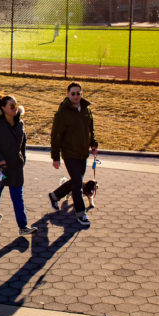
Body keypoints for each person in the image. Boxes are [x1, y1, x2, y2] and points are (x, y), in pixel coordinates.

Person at [0, 93, 38, 236]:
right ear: (3, 108)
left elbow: (23, 144)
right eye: (11, 106)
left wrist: (22, 159)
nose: (15, 108)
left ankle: (23, 226)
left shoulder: (20, 123)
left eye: (16, 105)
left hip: (15, 168)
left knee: (18, 198)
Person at [48, 82, 98, 227]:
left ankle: (55, 195)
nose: (76, 96)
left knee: (76, 180)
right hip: (69, 153)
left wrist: (93, 144)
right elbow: (56, 136)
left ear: (82, 94)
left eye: (78, 93)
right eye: (73, 94)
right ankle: (81, 214)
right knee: (77, 184)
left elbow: (90, 130)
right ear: (68, 95)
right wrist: (55, 157)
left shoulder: (86, 109)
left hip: (83, 153)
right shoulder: (63, 113)